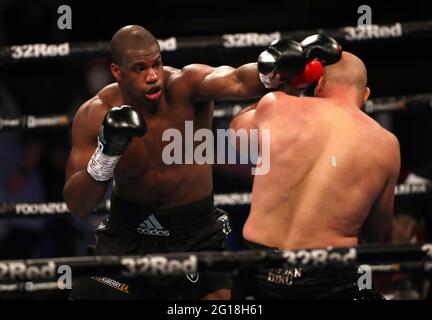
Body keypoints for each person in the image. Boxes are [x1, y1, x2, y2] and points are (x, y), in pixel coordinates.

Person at [63, 25, 339, 299]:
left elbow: (237, 80)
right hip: (127, 235)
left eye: (157, 64)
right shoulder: (95, 114)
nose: (153, 76)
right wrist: (107, 153)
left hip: (196, 235)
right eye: (139, 68)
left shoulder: (186, 86)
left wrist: (275, 67)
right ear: (116, 71)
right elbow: (78, 205)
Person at [229, 51, 401, 299]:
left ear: (316, 82)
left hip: (259, 272)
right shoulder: (386, 144)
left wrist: (287, 89)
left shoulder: (277, 106)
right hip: (328, 277)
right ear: (365, 95)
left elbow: (236, 137)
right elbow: (374, 234)